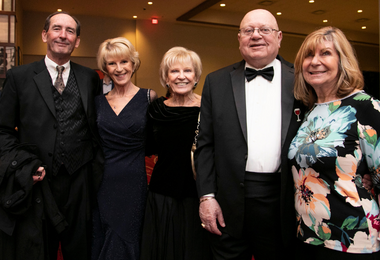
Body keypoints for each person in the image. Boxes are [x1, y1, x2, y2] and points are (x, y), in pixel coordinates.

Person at [194, 9, 305, 260]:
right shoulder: (216, 81)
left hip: (282, 200)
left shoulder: (302, 79)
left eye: (264, 30)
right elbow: (205, 145)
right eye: (248, 31)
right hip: (228, 202)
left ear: (279, 37)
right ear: (239, 38)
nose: (256, 36)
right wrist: (207, 197)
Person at [0, 11, 104, 260]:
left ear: (77, 40)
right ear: (45, 34)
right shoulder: (19, 77)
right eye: (57, 29)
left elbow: (96, 126)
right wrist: (25, 166)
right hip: (38, 181)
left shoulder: (90, 77)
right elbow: (3, 130)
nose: (63, 35)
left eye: (70, 31)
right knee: (38, 249)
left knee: (80, 248)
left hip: (80, 179)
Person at [288, 26, 380, 259]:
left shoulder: (365, 106)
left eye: (325, 53)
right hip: (307, 235)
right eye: (309, 55)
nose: (315, 61)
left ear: (343, 61)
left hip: (353, 239)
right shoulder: (308, 112)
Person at [140, 46, 212, 260]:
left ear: (196, 76)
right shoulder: (156, 109)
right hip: (162, 192)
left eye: (188, 71)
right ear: (165, 77)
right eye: (174, 71)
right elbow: (148, 147)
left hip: (198, 192)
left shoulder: (208, 108)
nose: (181, 76)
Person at [92, 37, 157, 260]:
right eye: (112, 63)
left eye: (124, 62)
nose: (119, 69)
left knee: (130, 234)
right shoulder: (97, 102)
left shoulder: (149, 97)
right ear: (105, 68)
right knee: (105, 234)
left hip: (135, 180)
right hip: (104, 180)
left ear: (133, 64)